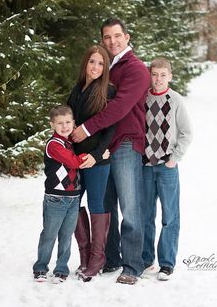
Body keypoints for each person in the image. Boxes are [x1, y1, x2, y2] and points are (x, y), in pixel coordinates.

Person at [71, 17, 150, 285]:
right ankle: (110, 258)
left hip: (126, 142)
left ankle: (132, 265)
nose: (112, 41)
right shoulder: (104, 65)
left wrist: (87, 129)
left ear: (127, 37)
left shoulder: (136, 69)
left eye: (117, 36)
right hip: (102, 147)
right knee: (105, 205)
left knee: (130, 205)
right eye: (107, 37)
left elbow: (119, 108)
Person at [67, 44, 116, 282]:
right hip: (75, 160)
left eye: (100, 63)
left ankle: (98, 258)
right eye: (92, 61)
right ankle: (84, 255)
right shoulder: (77, 90)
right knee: (73, 202)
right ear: (85, 63)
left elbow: (110, 128)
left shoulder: (108, 91)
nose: (95, 67)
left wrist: (97, 154)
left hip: (96, 160)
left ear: (105, 67)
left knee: (96, 204)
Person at [142, 58, 193, 280]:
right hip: (144, 166)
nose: (158, 79)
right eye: (155, 74)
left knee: (170, 216)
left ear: (170, 76)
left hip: (167, 167)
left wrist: (174, 159)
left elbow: (187, 132)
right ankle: (146, 260)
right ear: (149, 75)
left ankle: (167, 264)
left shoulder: (175, 100)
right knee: (145, 215)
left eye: (163, 75)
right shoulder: (143, 98)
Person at [33, 104, 86, 284]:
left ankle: (61, 268)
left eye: (68, 122)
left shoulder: (70, 142)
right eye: (60, 123)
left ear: (73, 122)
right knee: (49, 233)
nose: (65, 126)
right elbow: (73, 162)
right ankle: (41, 267)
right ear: (52, 125)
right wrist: (95, 156)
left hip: (73, 198)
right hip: (56, 198)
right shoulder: (54, 144)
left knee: (66, 235)